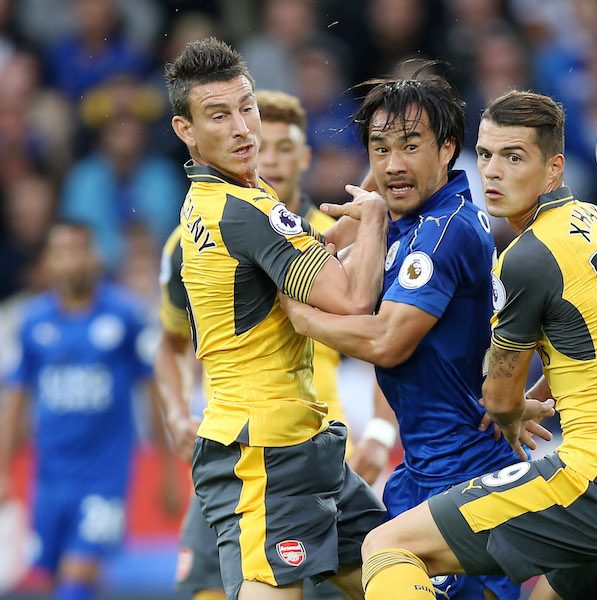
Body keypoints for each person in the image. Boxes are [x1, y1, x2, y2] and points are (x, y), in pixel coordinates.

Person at [350, 90, 597, 600]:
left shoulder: (526, 257)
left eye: (514, 158)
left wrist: (513, 410)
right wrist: (534, 393)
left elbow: (497, 400)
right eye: (486, 154)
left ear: (554, 168)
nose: (493, 172)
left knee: (388, 545)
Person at [280, 72, 553, 600]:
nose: (393, 165)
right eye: (380, 149)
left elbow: (387, 342)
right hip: (420, 471)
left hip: (467, 474)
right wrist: (358, 225)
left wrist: (302, 318)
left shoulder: (443, 231)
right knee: (339, 554)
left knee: (372, 557)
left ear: (447, 149)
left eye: (410, 146)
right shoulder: (412, 221)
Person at [164, 38, 387, 600]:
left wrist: (357, 211)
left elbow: (308, 258)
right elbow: (353, 301)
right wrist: (376, 219)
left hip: (306, 443)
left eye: (247, 107)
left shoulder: (224, 199)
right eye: (219, 115)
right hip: (262, 453)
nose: (243, 128)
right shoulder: (246, 211)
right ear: (185, 130)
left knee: (393, 568)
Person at [0, 221, 169, 600]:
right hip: (49, 478)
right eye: (62, 251)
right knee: (57, 580)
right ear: (48, 261)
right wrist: (3, 471)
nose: (72, 260)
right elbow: (16, 398)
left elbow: (151, 391)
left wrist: (168, 472)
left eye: (80, 249)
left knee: (76, 578)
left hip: (104, 477)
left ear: (95, 257)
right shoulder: (33, 322)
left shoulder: (124, 316)